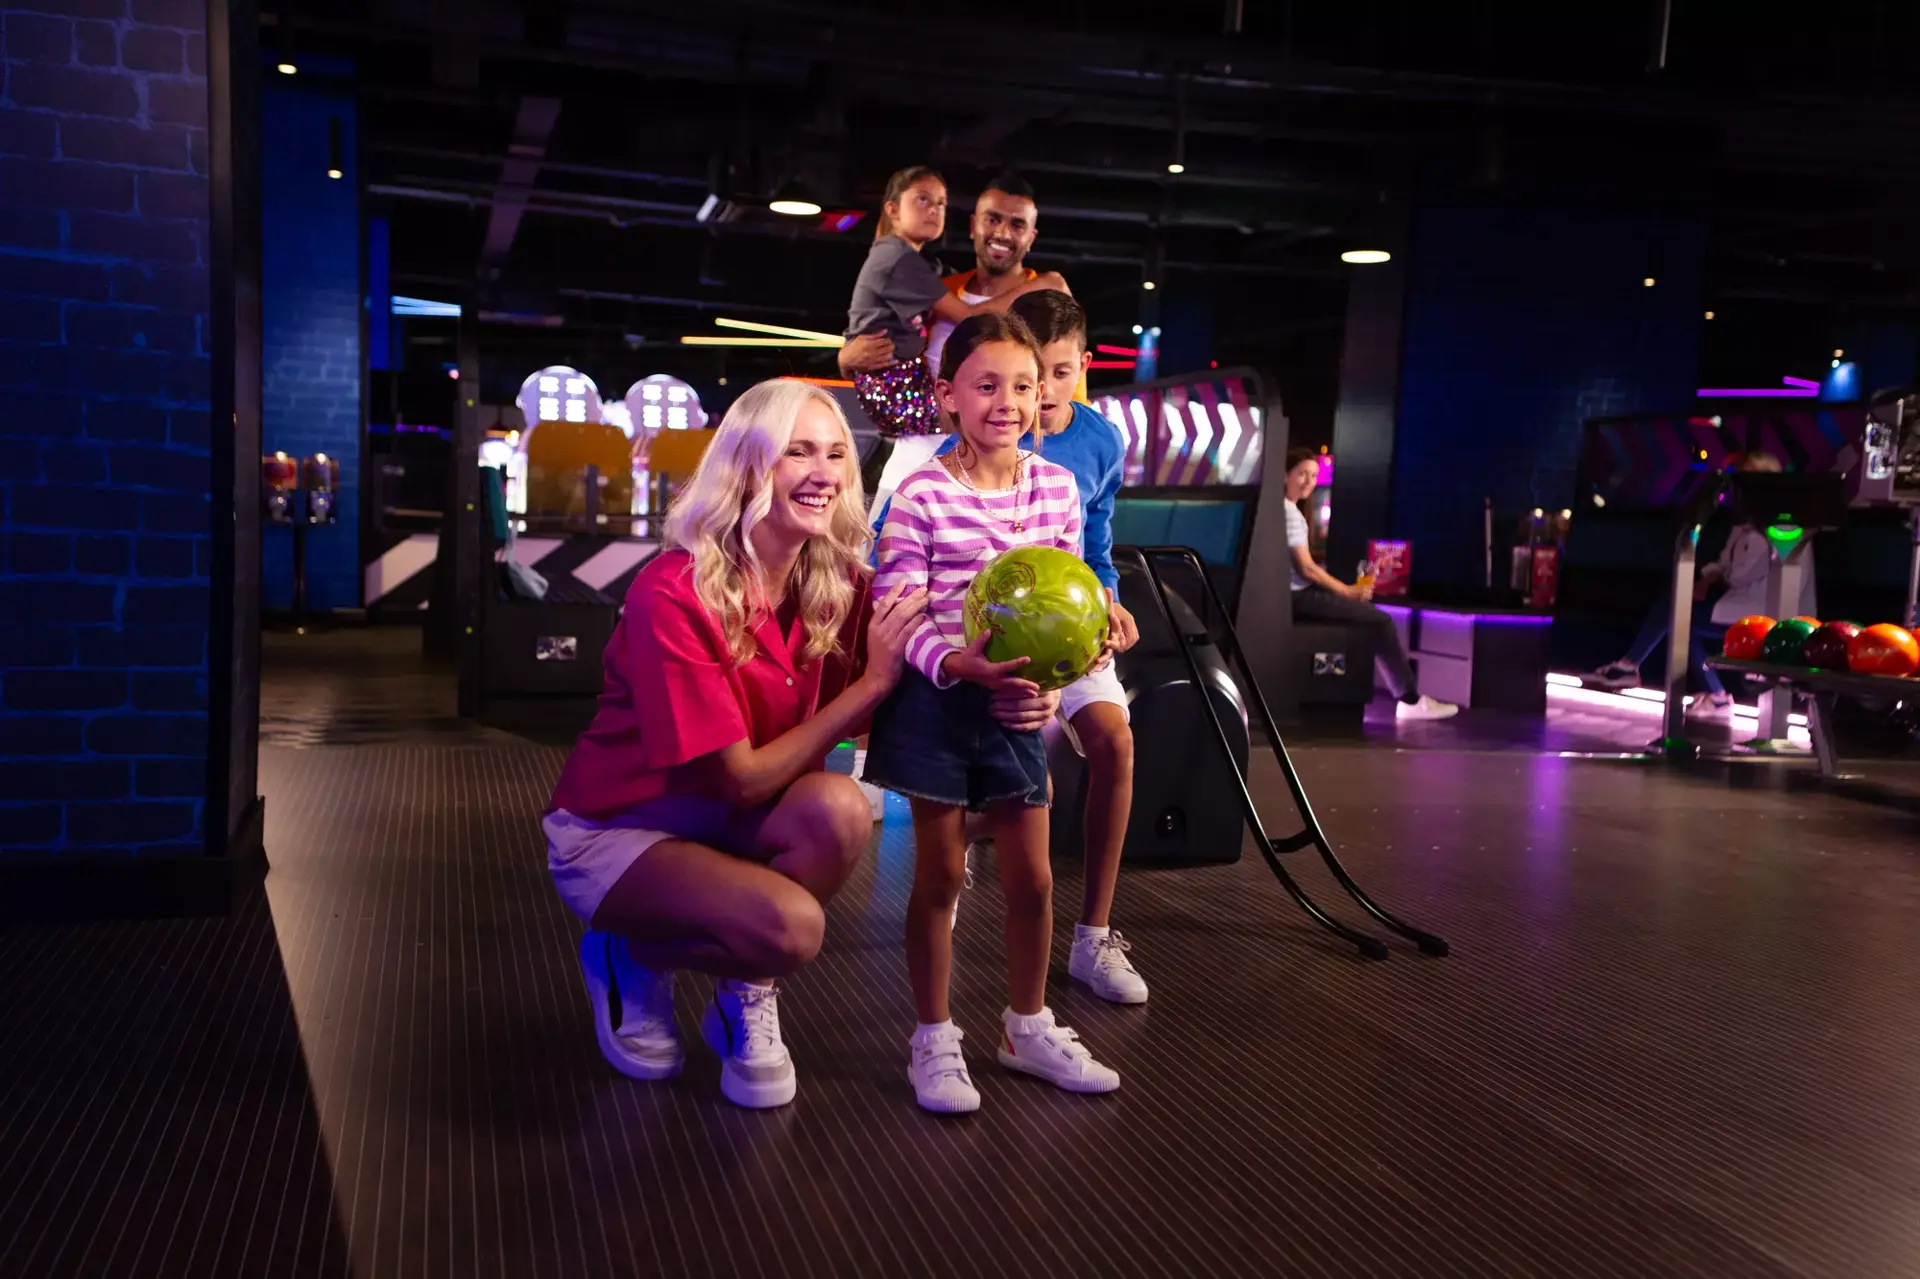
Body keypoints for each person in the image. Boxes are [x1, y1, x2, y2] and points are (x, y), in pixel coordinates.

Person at [543, 378, 931, 1110]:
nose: (824, 472)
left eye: (837, 454)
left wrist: (1057, 650)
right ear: (748, 466)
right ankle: (628, 948)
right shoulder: (673, 591)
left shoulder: (838, 581)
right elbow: (740, 781)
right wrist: (869, 687)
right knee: (793, 929)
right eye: (798, 452)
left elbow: (944, 624)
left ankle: (740, 990)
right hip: (625, 830)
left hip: (726, 827)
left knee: (840, 809)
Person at [865, 313, 1123, 1114]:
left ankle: (1026, 1026)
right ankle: (934, 1039)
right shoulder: (920, 495)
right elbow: (898, 603)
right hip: (937, 702)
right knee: (941, 876)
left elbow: (1069, 595)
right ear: (947, 395)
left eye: (1024, 383)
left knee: (1035, 881)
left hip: (1014, 709)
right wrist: (957, 663)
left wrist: (1088, 650)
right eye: (986, 385)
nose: (1009, 401)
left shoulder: (1057, 486)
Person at [843, 173, 1076, 522]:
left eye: (1017, 224)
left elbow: (1064, 403)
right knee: (883, 568)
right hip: (908, 471)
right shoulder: (940, 291)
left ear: (1031, 237)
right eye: (992, 219)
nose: (1002, 232)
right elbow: (883, 348)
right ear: (973, 225)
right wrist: (845, 358)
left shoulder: (1046, 304)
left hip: (996, 490)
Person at [1592, 452, 1815, 706]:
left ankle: (1632, 665)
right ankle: (1709, 694)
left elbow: (1739, 574)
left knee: (1679, 615)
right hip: (1743, 604)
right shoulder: (1749, 522)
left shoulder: (1779, 524)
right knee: (1678, 610)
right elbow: (1725, 560)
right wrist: (1707, 578)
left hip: (1768, 611)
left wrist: (1716, 577)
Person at [1283, 448, 1459, 721]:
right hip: (1296, 598)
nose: (1308, 481)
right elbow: (1305, 569)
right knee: (1381, 621)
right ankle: (1410, 701)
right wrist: (1347, 591)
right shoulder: (1290, 514)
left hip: (1289, 594)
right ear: (1285, 475)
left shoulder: (1283, 509)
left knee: (1368, 616)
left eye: (1314, 475)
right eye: (1302, 474)